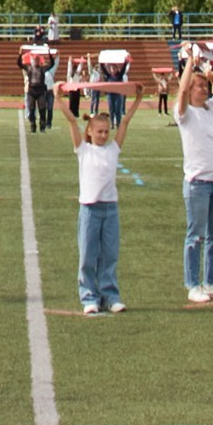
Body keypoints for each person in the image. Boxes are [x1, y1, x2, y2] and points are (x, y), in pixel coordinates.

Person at [172, 45, 213, 304]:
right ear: (190, 90)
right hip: (197, 184)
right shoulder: (184, 114)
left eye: (204, 86)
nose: (204, 89)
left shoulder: (211, 108)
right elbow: (181, 88)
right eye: (199, 86)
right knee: (195, 235)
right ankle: (192, 283)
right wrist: (190, 61)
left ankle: (210, 282)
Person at [64, 82, 133, 312]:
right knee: (87, 255)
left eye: (106, 132)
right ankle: (89, 297)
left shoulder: (113, 149)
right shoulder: (83, 150)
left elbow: (125, 121)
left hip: (110, 208)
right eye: (99, 132)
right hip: (90, 209)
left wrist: (139, 99)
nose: (103, 135)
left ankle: (110, 296)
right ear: (90, 132)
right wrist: (57, 97)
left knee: (110, 255)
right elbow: (72, 120)